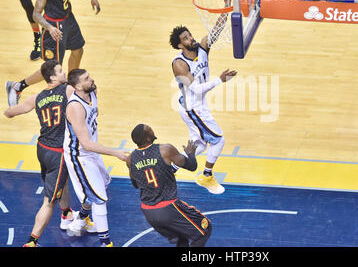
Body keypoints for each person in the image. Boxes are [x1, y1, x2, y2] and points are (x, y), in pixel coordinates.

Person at [5, 0, 101, 107]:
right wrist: (49, 28)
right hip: (54, 26)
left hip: (68, 18)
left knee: (78, 50)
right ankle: (17, 87)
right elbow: (36, 14)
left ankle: (70, 88)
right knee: (52, 70)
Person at [3, 60, 76, 247]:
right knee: (48, 201)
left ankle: (66, 212)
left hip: (42, 148)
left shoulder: (36, 97)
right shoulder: (68, 90)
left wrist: (12, 100)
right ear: (52, 77)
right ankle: (32, 241)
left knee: (61, 180)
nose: (64, 72)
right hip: (58, 152)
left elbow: (9, 113)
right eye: (60, 71)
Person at [63, 68, 128, 247]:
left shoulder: (92, 92)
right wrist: (116, 153)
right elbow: (86, 143)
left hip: (91, 151)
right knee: (99, 197)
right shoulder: (75, 107)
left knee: (103, 184)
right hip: (79, 156)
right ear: (78, 86)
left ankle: (81, 218)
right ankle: (105, 243)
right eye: (86, 79)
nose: (91, 80)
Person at [170, 24, 237, 195]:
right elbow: (197, 89)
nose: (190, 38)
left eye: (190, 35)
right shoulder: (179, 64)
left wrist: (226, 9)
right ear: (179, 45)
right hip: (192, 108)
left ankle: (170, 169)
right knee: (218, 140)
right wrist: (220, 80)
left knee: (199, 145)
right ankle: (206, 176)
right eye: (185, 38)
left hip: (197, 106)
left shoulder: (203, 48)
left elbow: (215, 30)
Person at [126, 123, 212, 247]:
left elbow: (136, 184)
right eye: (150, 129)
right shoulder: (165, 150)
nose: (152, 129)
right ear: (148, 138)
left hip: (148, 212)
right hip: (168, 208)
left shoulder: (130, 159)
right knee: (204, 229)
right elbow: (192, 166)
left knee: (182, 239)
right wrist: (191, 153)